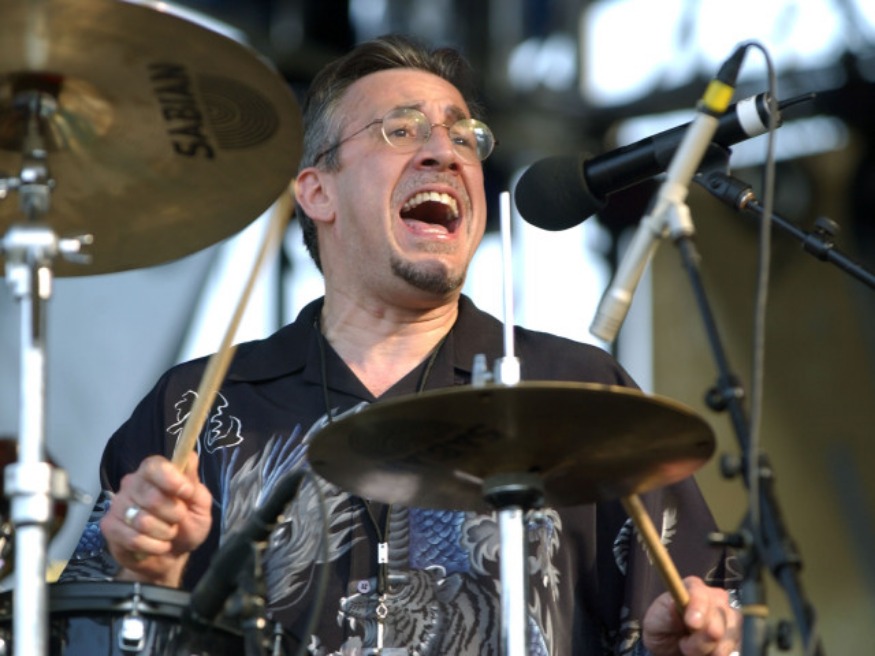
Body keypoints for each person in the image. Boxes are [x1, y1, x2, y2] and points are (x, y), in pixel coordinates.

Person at [62, 34, 740, 655]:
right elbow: (82, 639)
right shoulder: (196, 408)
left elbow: (687, 614)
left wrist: (686, 646)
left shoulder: (577, 394)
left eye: (464, 136)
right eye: (401, 130)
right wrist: (147, 575)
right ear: (317, 192)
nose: (445, 152)